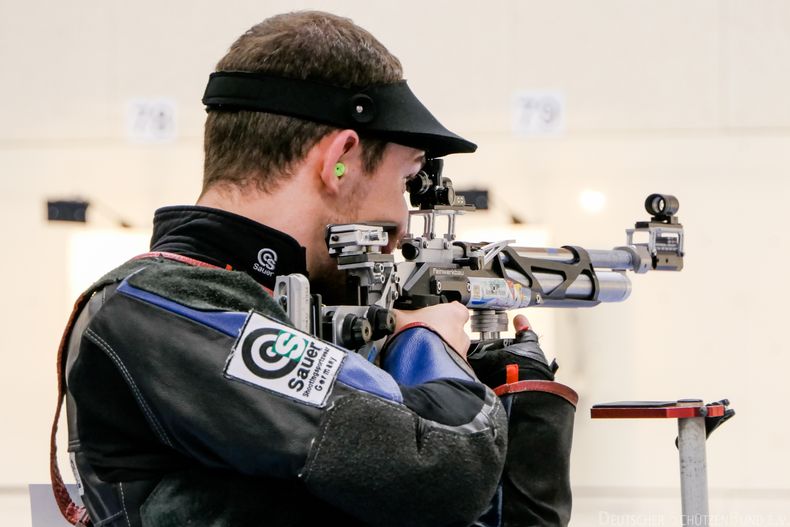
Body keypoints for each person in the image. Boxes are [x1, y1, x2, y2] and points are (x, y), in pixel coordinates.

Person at [51, 11, 576, 527]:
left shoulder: (269, 306)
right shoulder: (160, 309)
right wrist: (431, 344)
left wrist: (523, 404)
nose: (405, 223)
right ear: (340, 159)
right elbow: (440, 465)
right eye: (405, 178)